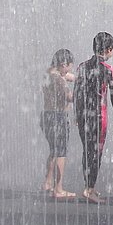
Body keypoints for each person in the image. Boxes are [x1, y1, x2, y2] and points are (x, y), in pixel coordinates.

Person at [74, 32, 113, 204]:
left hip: (84, 116)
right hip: (99, 117)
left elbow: (76, 93)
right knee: (96, 153)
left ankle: (90, 186)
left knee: (87, 151)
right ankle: (89, 189)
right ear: (109, 50)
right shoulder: (108, 71)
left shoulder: (82, 67)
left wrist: (77, 114)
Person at [41, 49, 76, 199]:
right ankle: (59, 189)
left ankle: (47, 183)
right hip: (58, 117)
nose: (69, 70)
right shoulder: (59, 80)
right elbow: (69, 97)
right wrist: (82, 93)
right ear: (63, 64)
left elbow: (67, 76)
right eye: (69, 66)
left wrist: (77, 78)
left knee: (53, 150)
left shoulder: (48, 74)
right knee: (61, 153)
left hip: (46, 116)